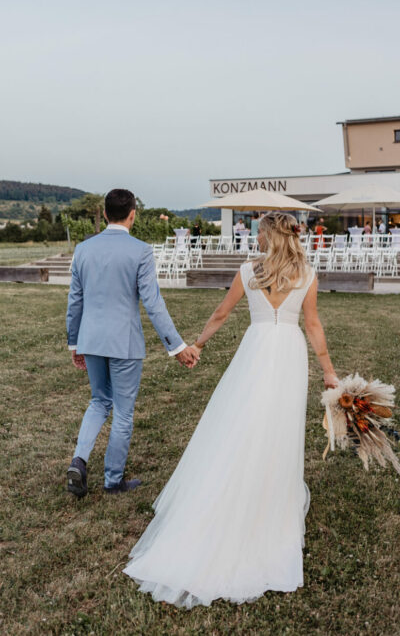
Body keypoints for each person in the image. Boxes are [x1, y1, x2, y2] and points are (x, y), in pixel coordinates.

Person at [124, 211, 339, 608]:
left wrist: (199, 344)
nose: (256, 238)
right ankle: (268, 504)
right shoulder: (306, 274)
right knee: (277, 429)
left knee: (243, 423)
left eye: (259, 233)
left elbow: (222, 314)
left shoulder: (248, 271)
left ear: (269, 236)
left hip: (257, 351)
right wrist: (328, 371)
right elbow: (313, 325)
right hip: (289, 354)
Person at [65, 189, 200, 498]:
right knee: (123, 412)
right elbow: (153, 303)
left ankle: (79, 460)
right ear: (132, 214)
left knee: (99, 401)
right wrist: (177, 346)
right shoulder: (140, 250)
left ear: (105, 211)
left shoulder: (83, 249)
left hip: (91, 339)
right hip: (123, 342)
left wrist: (75, 341)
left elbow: (75, 301)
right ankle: (112, 481)